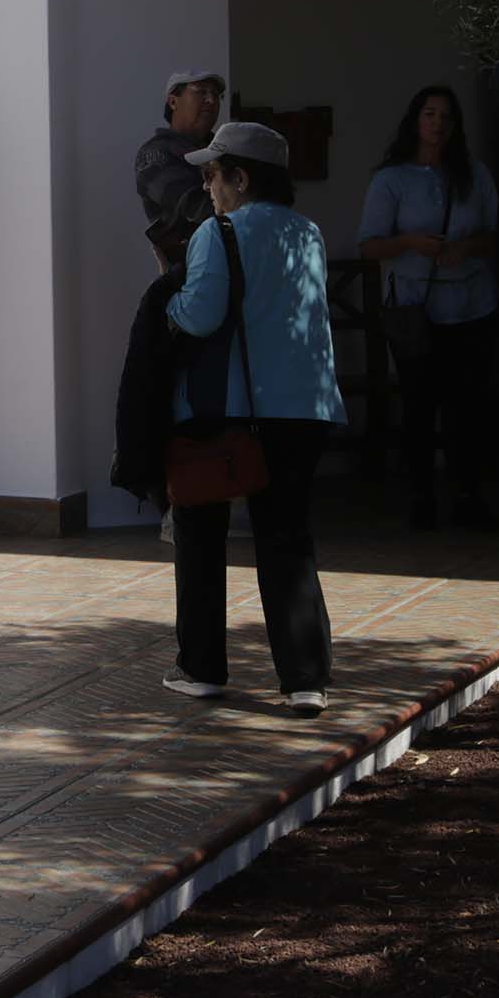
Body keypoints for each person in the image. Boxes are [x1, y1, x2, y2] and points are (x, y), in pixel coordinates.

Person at [162, 122, 346, 717]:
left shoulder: (219, 233)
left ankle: (202, 668)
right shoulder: (309, 233)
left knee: (199, 529)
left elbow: (199, 314)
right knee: (287, 537)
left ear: (239, 178)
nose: (208, 185)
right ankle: (305, 680)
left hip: (235, 411)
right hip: (308, 407)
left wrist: (167, 300)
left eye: (213, 174)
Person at [359, 85, 499, 531]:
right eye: (430, 115)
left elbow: (496, 235)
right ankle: (421, 498)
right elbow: (369, 245)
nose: (438, 124)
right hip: (414, 309)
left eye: (446, 117)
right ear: (415, 121)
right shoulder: (391, 179)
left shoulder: (474, 174)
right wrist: (410, 243)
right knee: (419, 407)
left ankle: (468, 495)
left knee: (467, 407)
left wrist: (466, 249)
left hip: (470, 304)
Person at [137, 69, 226, 269]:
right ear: (173, 102)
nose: (211, 100)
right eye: (201, 91)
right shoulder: (155, 154)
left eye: (216, 95)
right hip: (193, 273)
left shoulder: (224, 150)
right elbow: (195, 207)